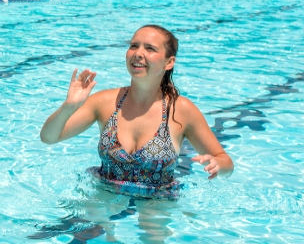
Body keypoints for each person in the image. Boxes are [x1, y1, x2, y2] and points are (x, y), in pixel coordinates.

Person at [40, 25, 233, 198]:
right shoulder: (106, 102)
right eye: (134, 46)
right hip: (104, 192)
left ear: (169, 62)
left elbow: (225, 162)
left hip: (158, 199)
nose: (138, 53)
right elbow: (49, 137)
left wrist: (218, 165)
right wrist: (69, 106)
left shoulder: (181, 110)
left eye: (150, 48)